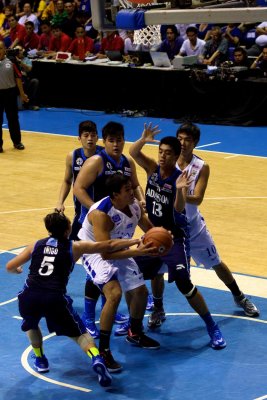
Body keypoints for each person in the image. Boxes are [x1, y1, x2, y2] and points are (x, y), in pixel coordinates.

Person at [6, 212, 142, 386]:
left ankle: (40, 360)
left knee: (31, 324)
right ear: (68, 229)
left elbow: (10, 266)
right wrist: (135, 242)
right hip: (54, 297)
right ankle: (96, 359)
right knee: (80, 335)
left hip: (29, 295)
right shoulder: (75, 247)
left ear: (49, 229)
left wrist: (17, 270)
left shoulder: (36, 244)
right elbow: (108, 244)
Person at [129, 124, 226, 350]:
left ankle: (211, 326)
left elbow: (179, 208)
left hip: (175, 238)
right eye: (160, 152)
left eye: (167, 153)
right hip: (153, 234)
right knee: (130, 275)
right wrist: (143, 139)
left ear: (175, 156)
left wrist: (181, 189)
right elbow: (133, 153)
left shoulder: (179, 178)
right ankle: (135, 328)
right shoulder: (152, 168)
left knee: (184, 284)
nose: (162, 156)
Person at [175, 122, 259, 317]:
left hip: (194, 227)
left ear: (195, 142)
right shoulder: (168, 162)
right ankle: (158, 308)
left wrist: (179, 191)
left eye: (187, 140)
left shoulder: (201, 166)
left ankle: (240, 297)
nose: (183, 143)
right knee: (159, 269)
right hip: (172, 226)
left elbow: (198, 198)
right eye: (179, 139)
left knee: (217, 263)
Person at [78, 173, 160, 372]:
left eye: (131, 188)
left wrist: (163, 236)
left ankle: (135, 332)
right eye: (127, 190)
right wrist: (137, 250)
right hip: (94, 250)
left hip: (119, 246)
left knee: (141, 293)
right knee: (114, 294)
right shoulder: (100, 214)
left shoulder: (133, 206)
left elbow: (150, 230)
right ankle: (104, 350)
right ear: (115, 195)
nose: (132, 192)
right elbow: (105, 252)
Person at [73, 121, 146, 338]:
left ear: (124, 140)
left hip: (115, 223)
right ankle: (88, 318)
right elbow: (78, 188)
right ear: (105, 142)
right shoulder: (97, 161)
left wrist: (140, 200)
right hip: (95, 223)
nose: (116, 144)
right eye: (111, 141)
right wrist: (97, 211)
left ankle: (110, 313)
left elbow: (136, 184)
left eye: (119, 140)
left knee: (111, 275)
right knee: (95, 275)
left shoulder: (126, 162)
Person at [55, 120, 103, 240]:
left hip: (103, 211)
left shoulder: (105, 155)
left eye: (93, 135)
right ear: (79, 138)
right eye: (86, 135)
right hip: (81, 213)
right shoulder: (72, 156)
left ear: (97, 137)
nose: (90, 139)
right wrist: (60, 202)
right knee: (71, 249)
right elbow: (67, 181)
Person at [0, 40, 28, 153]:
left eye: (0, 48)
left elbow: (18, 78)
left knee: (13, 119)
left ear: (5, 50)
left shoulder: (11, 62)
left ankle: (17, 142)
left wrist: (22, 93)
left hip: (10, 93)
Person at [15, 45, 40, 110]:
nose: (18, 52)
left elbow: (29, 69)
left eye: (20, 50)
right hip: (14, 82)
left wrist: (20, 62)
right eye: (17, 50)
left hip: (25, 82)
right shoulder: (11, 60)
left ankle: (32, 104)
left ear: (23, 50)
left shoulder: (27, 60)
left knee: (35, 81)